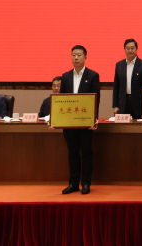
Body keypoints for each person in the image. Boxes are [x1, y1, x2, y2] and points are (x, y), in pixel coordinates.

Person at [59, 45, 101, 195]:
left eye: (79, 55)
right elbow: (61, 100)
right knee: (72, 153)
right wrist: (59, 120)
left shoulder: (93, 75)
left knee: (86, 152)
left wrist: (94, 119)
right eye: (73, 55)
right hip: (69, 122)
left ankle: (86, 183)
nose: (76, 58)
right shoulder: (65, 76)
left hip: (85, 122)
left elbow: (96, 99)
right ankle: (73, 183)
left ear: (85, 57)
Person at [112, 38, 142, 119]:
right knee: (123, 126)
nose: (130, 50)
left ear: (136, 49)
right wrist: (116, 105)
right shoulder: (119, 65)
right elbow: (116, 87)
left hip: (139, 105)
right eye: (128, 48)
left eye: (132, 48)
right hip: (123, 104)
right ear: (124, 49)